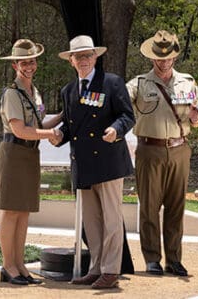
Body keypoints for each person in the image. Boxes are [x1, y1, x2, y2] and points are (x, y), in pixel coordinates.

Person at [53, 35, 135, 289]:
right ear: (71, 62)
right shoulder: (68, 91)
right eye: (78, 57)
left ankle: (111, 270)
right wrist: (59, 136)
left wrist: (116, 129)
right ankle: (96, 267)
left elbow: (126, 115)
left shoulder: (112, 83)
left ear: (96, 57)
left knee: (111, 219)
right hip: (84, 165)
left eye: (88, 55)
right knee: (92, 222)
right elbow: (70, 125)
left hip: (109, 162)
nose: (83, 60)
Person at [126, 30, 198, 277]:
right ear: (152, 58)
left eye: (168, 58)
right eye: (159, 58)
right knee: (149, 207)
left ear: (174, 57)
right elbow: (121, 106)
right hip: (150, 150)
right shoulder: (138, 84)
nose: (163, 62)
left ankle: (174, 259)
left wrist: (196, 117)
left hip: (179, 149)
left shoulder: (188, 82)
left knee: (176, 207)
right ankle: (152, 258)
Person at [0, 39, 62, 285]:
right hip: (14, 153)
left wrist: (65, 116)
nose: (29, 66)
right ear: (15, 65)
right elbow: (21, 130)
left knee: (24, 212)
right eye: (24, 62)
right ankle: (8, 265)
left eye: (32, 61)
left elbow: (39, 125)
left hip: (30, 154)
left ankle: (20, 264)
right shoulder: (12, 93)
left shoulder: (34, 92)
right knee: (11, 210)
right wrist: (49, 135)